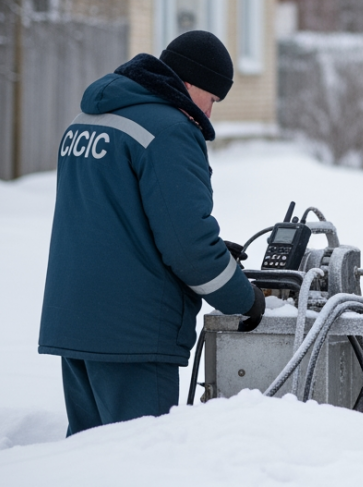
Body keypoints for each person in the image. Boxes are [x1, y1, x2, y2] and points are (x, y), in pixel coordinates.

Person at [38, 30, 264, 435]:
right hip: (134, 335)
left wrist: (213, 252)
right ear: (191, 82)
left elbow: (114, 219)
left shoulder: (86, 120)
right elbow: (188, 246)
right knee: (140, 462)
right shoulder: (169, 129)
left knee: (87, 463)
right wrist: (245, 298)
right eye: (212, 99)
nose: (209, 114)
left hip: (74, 320)